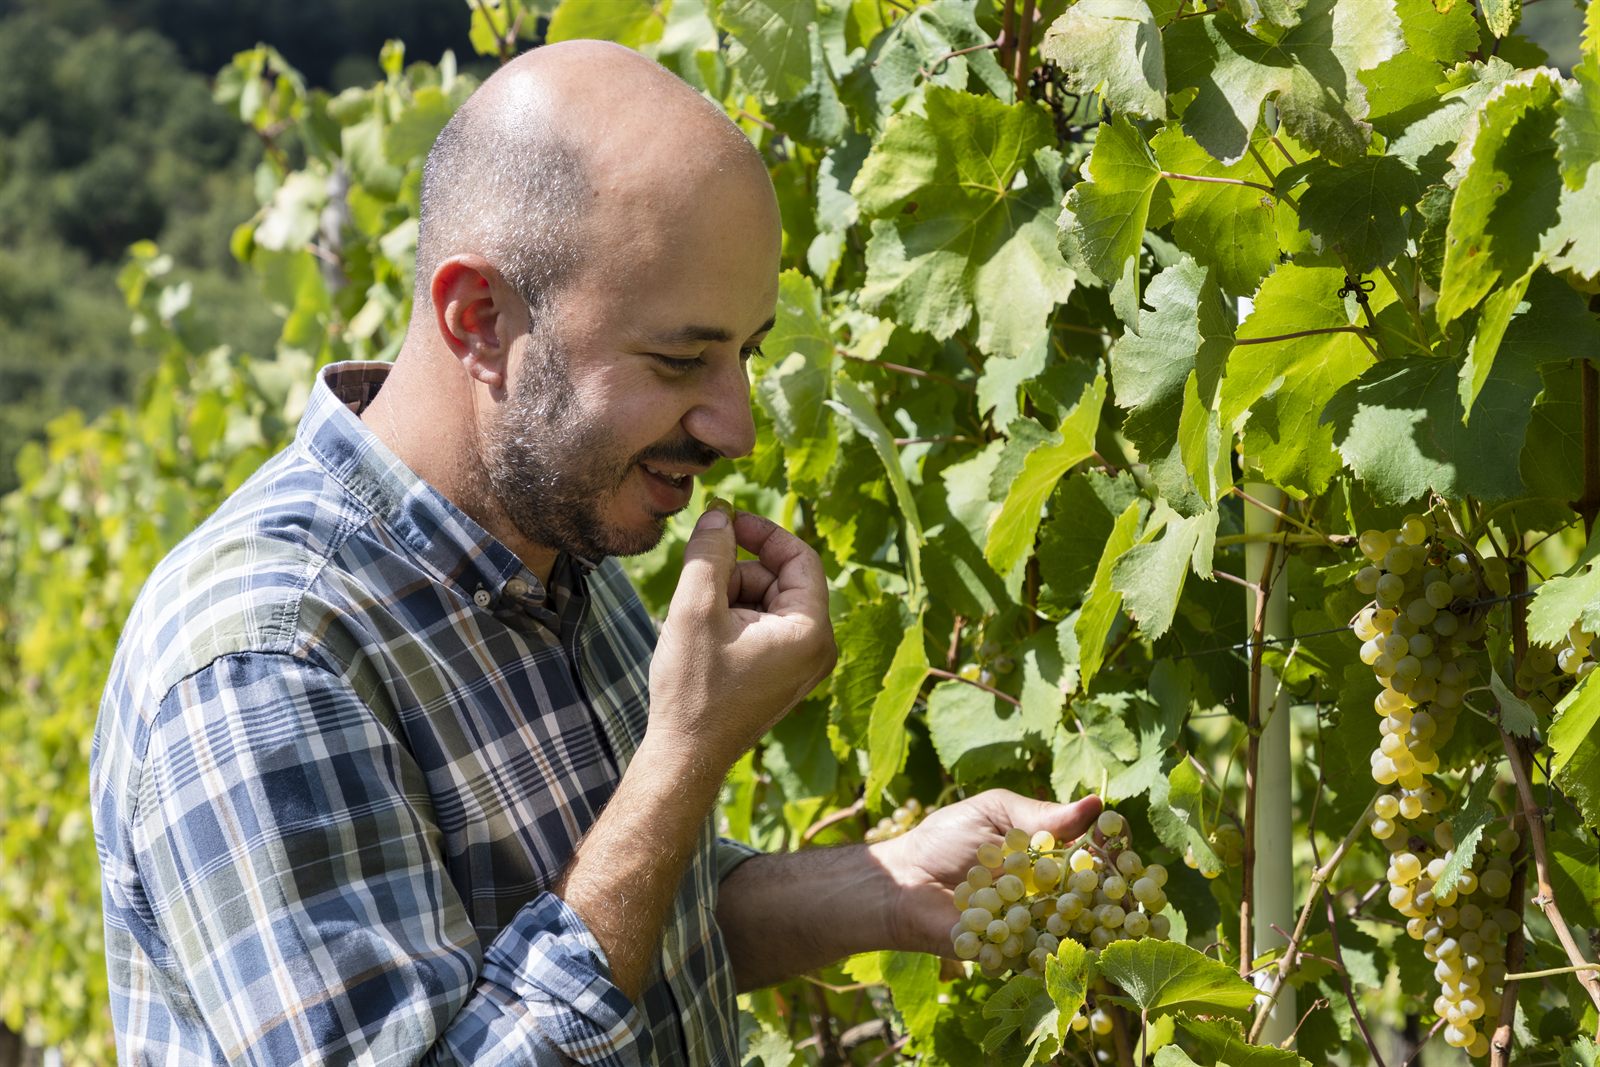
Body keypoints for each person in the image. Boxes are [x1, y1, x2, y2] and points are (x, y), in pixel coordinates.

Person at [90, 39, 1101, 1065]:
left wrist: (884, 884)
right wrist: (683, 756)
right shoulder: (267, 665)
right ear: (479, 320)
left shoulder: (557, 540)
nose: (739, 428)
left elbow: (630, 918)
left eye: (746, 353)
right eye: (680, 358)